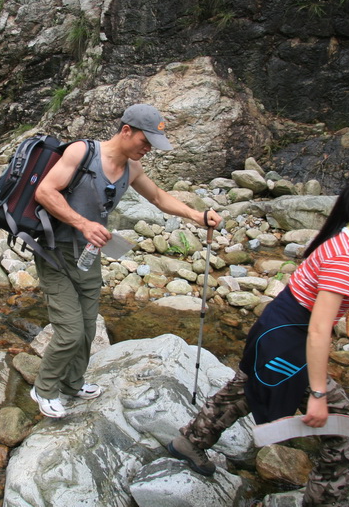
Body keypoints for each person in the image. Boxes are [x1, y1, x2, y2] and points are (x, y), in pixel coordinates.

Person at [168, 178, 349, 507]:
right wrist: (319, 395)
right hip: (289, 340)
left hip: (277, 329)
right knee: (347, 428)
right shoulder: (346, 254)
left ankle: (191, 441)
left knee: (248, 390)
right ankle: (324, 501)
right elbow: (320, 330)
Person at [29, 104, 223, 418]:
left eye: (153, 144)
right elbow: (45, 192)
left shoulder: (132, 168)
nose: (148, 149)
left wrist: (195, 215)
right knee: (70, 331)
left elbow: (158, 197)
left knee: (88, 327)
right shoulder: (82, 153)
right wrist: (83, 224)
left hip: (89, 255)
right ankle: (44, 389)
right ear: (126, 131)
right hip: (55, 251)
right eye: (145, 141)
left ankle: (72, 383)